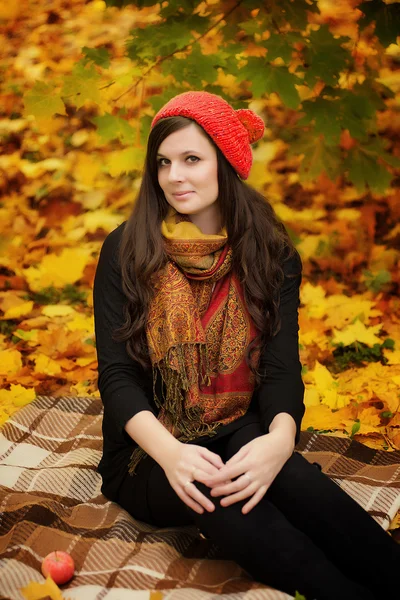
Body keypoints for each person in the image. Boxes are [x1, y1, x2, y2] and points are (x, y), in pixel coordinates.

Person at [93, 91, 399, 600]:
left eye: (192, 159)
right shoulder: (126, 250)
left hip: (240, 423)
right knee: (229, 507)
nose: (174, 176)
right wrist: (172, 455)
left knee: (301, 487)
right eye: (164, 162)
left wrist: (279, 441)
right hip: (149, 450)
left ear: (226, 162)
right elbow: (117, 376)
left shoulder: (270, 251)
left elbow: (280, 369)